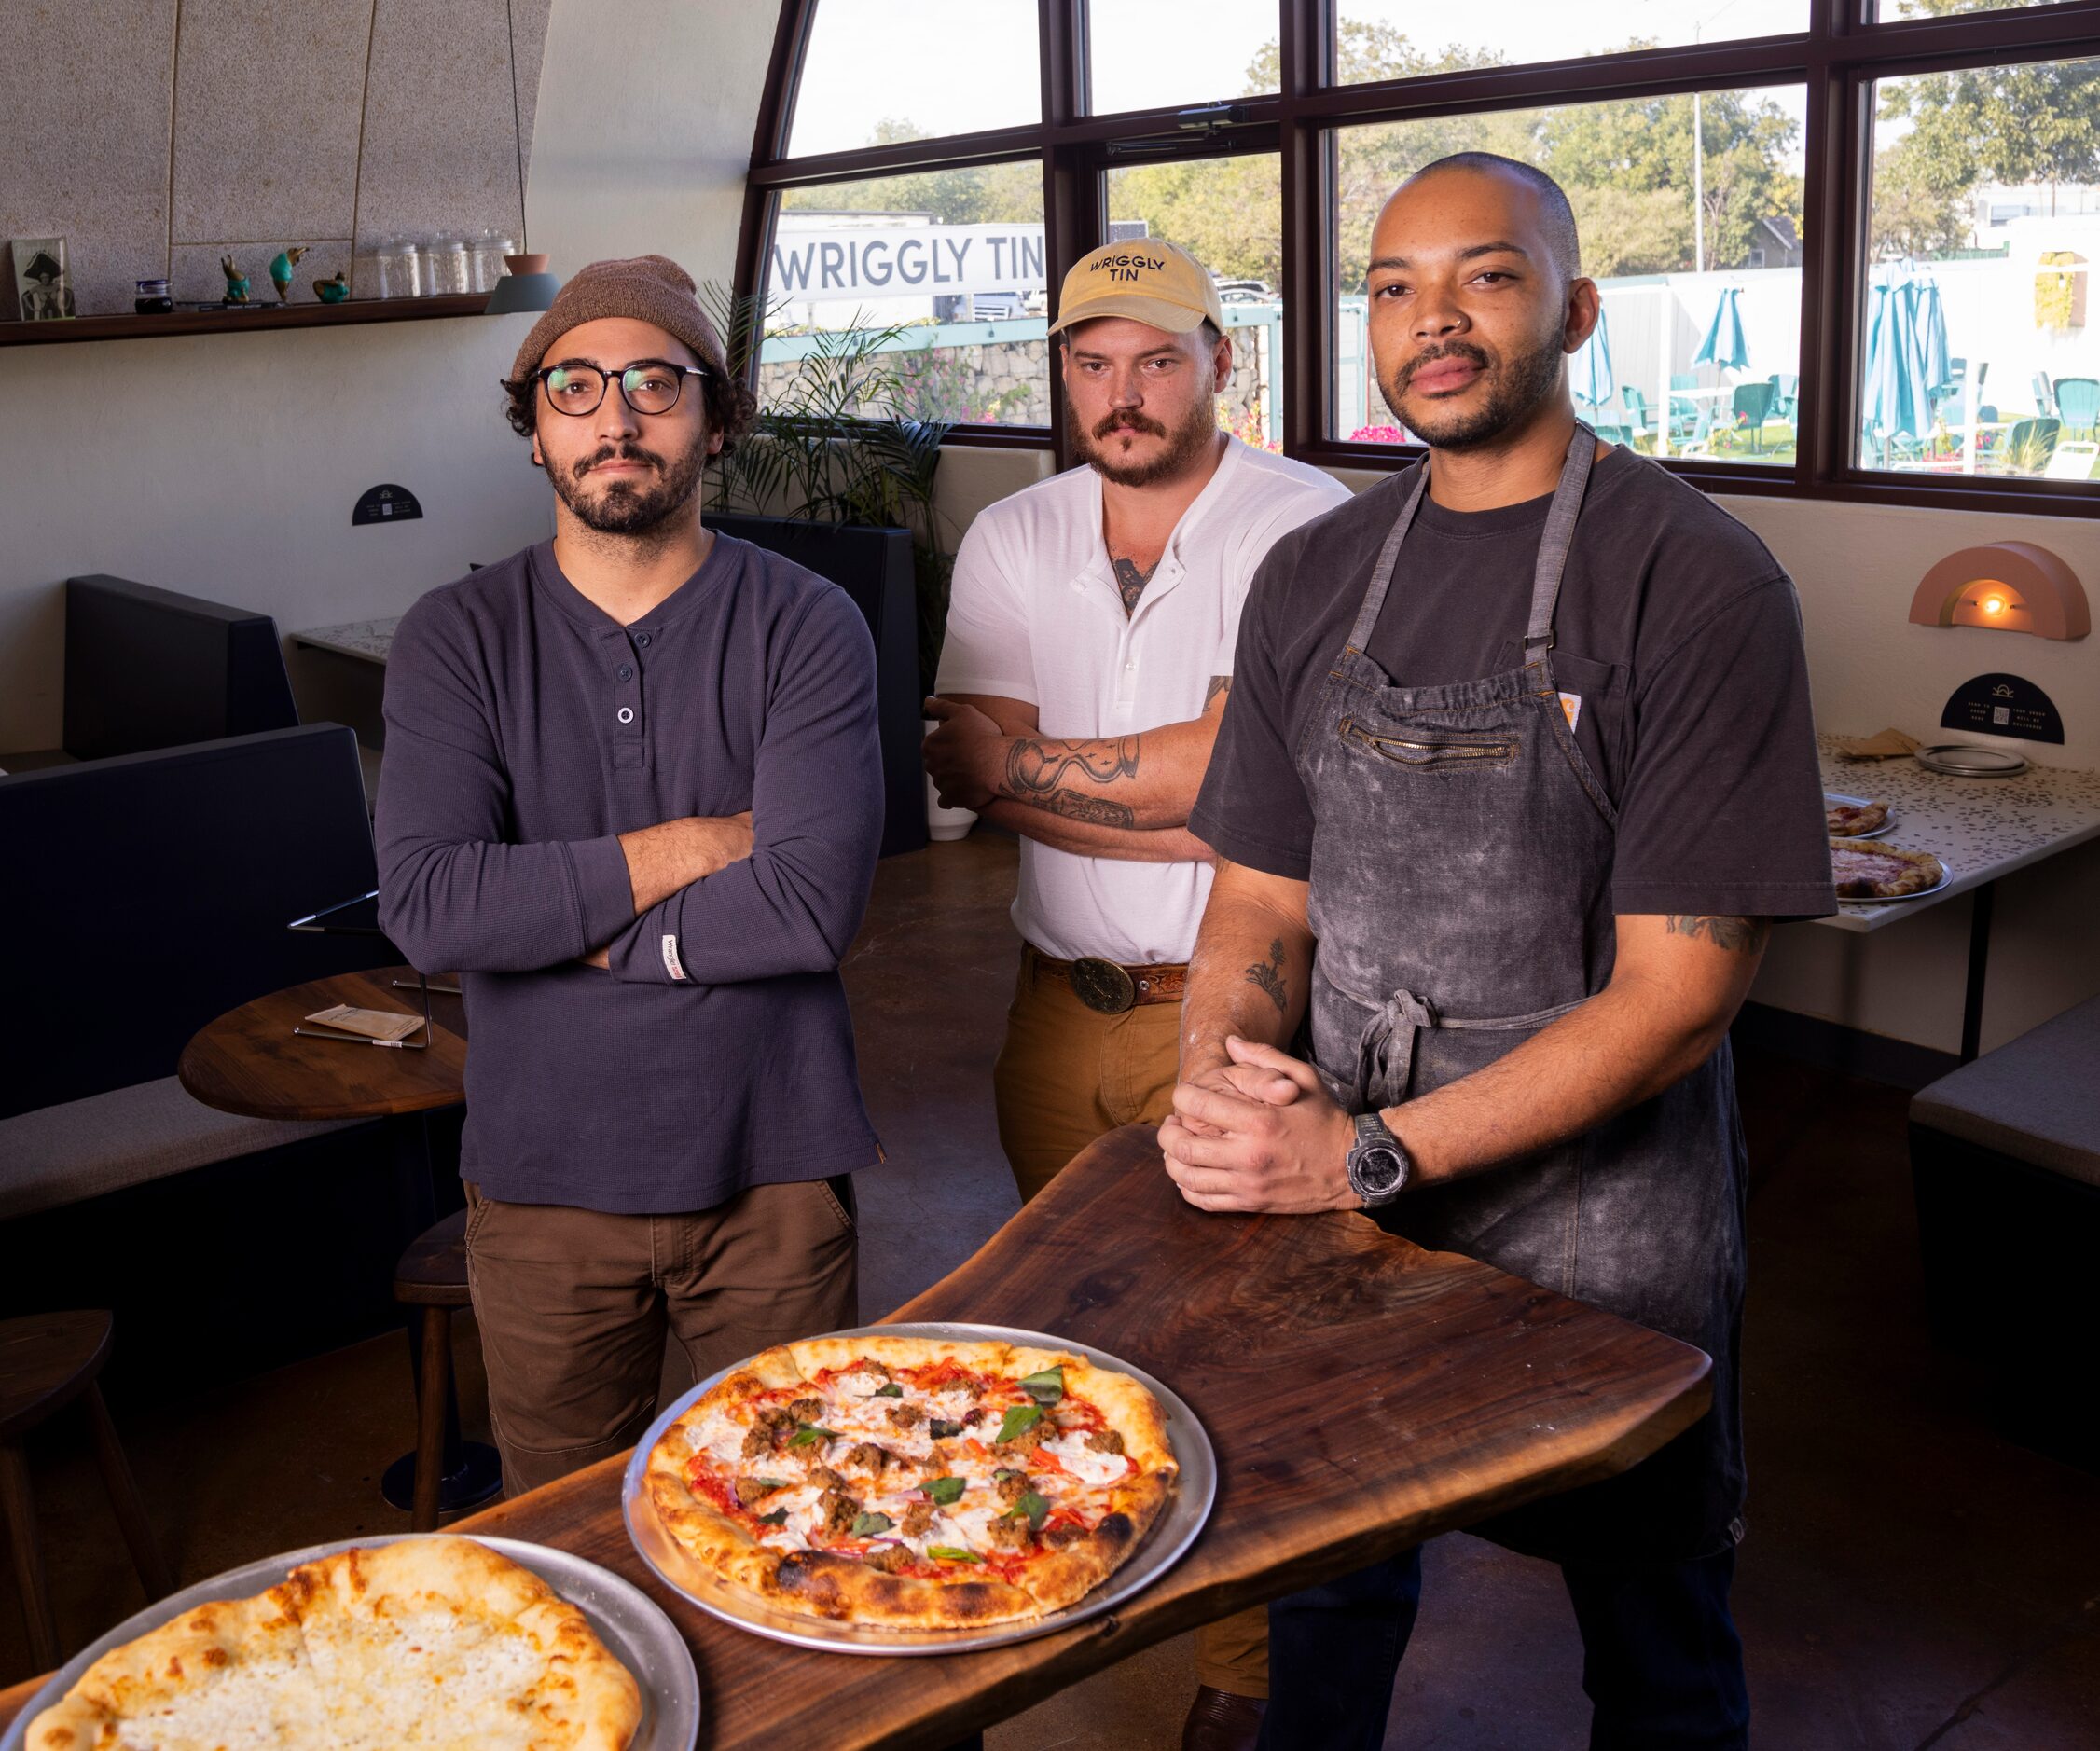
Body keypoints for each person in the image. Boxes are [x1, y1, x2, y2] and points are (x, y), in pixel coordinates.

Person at [1163, 155, 1837, 1750]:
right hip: (1337, 1170)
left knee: (1652, 1618)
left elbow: (1678, 1002)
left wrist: (1363, 1156)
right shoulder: (1316, 571)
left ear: (1579, 309)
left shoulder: (1696, 578)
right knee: (1324, 1576)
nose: (1431, 320)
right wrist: (1224, 1100)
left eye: (1487, 276)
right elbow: (1260, 901)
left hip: (1603, 1216)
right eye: (1392, 285)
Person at [921, 239, 1347, 1744]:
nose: (1124, 391)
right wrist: (1189, 790)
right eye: (1093, 362)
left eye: (1157, 358)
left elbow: (1266, 791)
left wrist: (1050, 775)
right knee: (1079, 1328)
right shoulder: (1014, 530)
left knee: (1231, 1343)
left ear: (1220, 361)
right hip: (1056, 1005)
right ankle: (1097, 1576)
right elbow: (967, 758)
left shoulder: (1308, 523)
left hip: (1242, 1006)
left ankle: (1241, 1675)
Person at [377, 255, 884, 1497]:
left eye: (657, 381)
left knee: (811, 1522)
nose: (617, 415)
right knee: (567, 1553)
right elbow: (434, 905)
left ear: (716, 418)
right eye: (577, 386)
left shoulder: (809, 623)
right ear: (535, 428)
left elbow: (811, 903)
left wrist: (576, 925)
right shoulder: (458, 635)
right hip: (542, 1180)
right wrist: (694, 845)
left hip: (771, 1172)